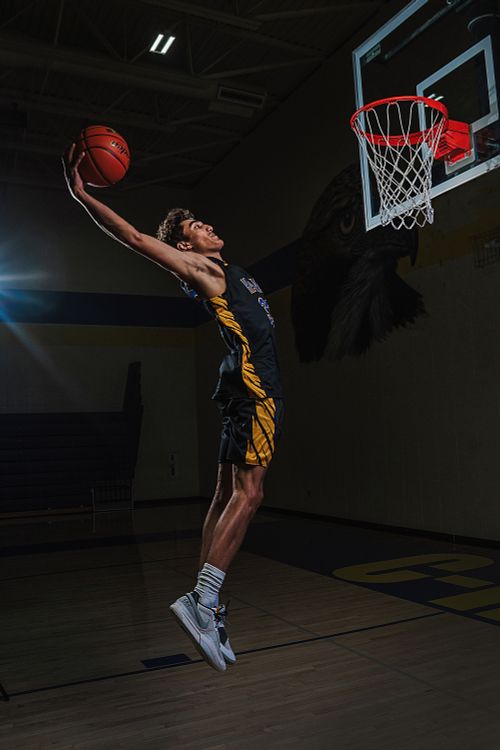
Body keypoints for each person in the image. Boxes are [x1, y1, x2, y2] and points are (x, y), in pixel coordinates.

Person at [63, 146, 284, 672]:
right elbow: (136, 238)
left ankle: (206, 602)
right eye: (196, 227)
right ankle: (203, 600)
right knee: (251, 494)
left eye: (204, 222)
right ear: (184, 245)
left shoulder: (226, 268)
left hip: (239, 386)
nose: (207, 226)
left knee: (225, 494)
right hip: (255, 389)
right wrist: (82, 195)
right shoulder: (200, 268)